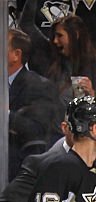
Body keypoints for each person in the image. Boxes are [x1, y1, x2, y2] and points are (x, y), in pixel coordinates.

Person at [8, 28, 63, 180]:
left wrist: (5, 115)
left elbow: (36, 130)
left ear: (16, 54)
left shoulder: (39, 86)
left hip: (18, 172)